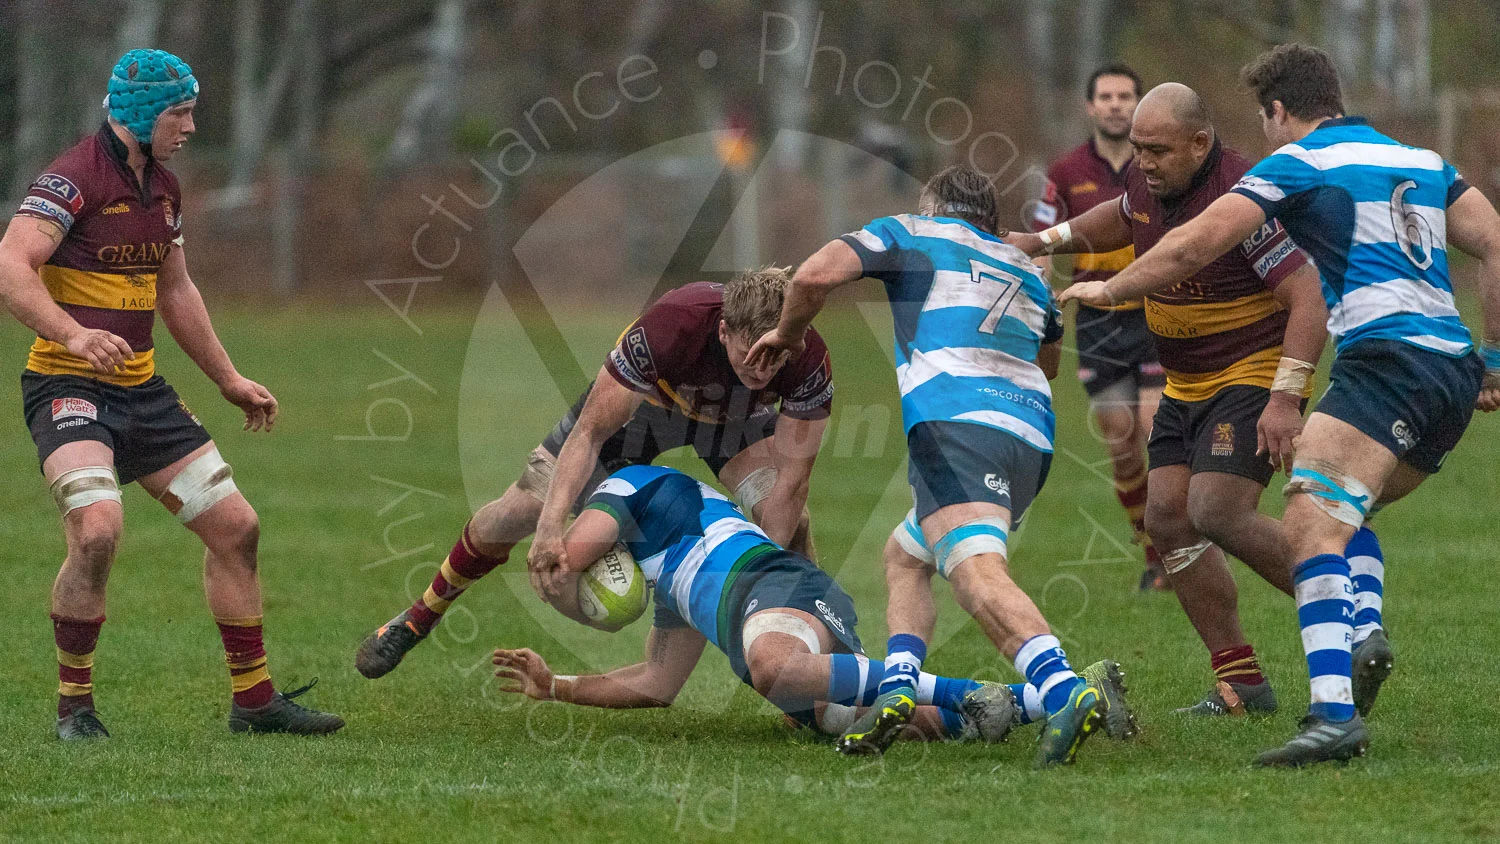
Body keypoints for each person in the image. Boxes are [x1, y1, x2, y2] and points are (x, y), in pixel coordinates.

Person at [1057, 45, 1500, 765]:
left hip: (1383, 360)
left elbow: (1192, 246)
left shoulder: (1298, 162)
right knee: (1336, 516)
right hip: (1449, 370)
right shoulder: (1422, 160)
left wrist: (1109, 290)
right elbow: (1494, 240)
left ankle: (1335, 717)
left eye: (1266, 122)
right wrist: (1495, 355)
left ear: (1278, 111)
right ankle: (1357, 643)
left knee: (1306, 525)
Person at [0, 49, 343, 739]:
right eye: (179, 113)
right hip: (69, 389)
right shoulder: (72, 180)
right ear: (141, 115)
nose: (189, 126)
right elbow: (10, 265)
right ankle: (76, 709)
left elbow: (176, 288)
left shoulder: (164, 188)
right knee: (97, 532)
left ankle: (254, 704)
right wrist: (73, 335)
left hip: (143, 394)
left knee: (237, 529)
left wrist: (229, 379)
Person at [748, 165, 1128, 768]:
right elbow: (1049, 360)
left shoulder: (913, 232)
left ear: (935, 208)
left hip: (957, 428)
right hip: (1030, 436)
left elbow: (815, 274)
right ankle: (900, 687)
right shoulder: (1024, 267)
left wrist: (788, 335)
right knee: (905, 556)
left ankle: (1064, 689)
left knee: (974, 571)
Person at [1014, 83, 1328, 719]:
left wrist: (1285, 398)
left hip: (1251, 371)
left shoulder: (1246, 193)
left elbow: (1308, 298)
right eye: (1137, 150)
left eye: (1156, 151)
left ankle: (1345, 612)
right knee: (1166, 518)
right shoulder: (1147, 181)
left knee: (1215, 508)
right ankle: (1241, 683)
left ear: (1200, 144)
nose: (1144, 163)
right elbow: (1122, 215)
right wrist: (1044, 242)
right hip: (1187, 382)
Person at [357, 271, 834, 679]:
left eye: (777, 357)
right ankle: (421, 616)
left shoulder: (807, 357)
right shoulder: (674, 325)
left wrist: (763, 579)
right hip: (650, 406)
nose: (763, 370)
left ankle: (813, 659)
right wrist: (549, 527)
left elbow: (794, 483)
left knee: (793, 522)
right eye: (751, 355)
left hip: (733, 422)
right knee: (520, 508)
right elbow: (589, 432)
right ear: (725, 331)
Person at [491, 464, 1024, 745]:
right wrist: (556, 686)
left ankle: (966, 691)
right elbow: (657, 683)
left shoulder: (633, 484)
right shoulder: (670, 582)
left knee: (772, 663)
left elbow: (568, 557)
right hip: (766, 621)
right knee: (856, 721)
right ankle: (1044, 700)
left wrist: (553, 568)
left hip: (779, 585)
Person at [1033, 64, 1169, 592]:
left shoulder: (1157, 164)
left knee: (1156, 429)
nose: (1116, 104)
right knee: (1120, 442)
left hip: (1156, 311)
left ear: (1140, 104)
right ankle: (1152, 549)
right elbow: (1044, 240)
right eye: (1106, 96)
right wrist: (1039, 289)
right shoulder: (1065, 171)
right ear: (1090, 107)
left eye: (1125, 96)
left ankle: (1176, 552)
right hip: (1098, 319)